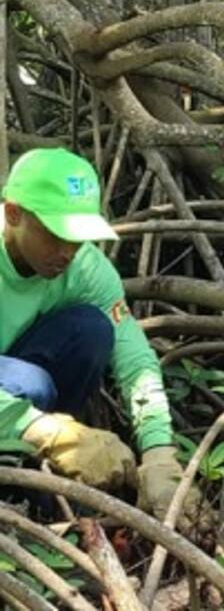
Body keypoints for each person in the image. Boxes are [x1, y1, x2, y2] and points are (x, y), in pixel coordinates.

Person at [0, 147, 207, 529]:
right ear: (13, 213)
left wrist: (159, 454)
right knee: (33, 384)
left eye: (77, 238)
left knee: (92, 329)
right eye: (55, 234)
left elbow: (135, 359)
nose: (67, 252)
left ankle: (42, 488)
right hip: (18, 391)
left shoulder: (84, 267)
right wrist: (52, 433)